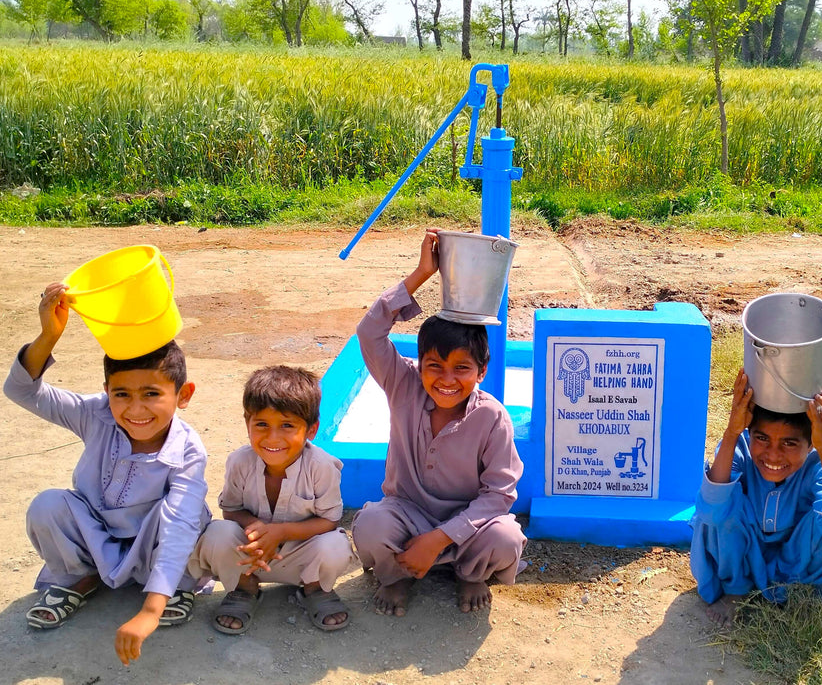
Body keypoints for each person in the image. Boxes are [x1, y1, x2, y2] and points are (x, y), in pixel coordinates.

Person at [3, 283, 210, 666]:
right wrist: (49, 335)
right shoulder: (94, 412)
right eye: (122, 394)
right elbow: (22, 390)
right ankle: (80, 578)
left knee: (193, 517)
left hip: (151, 545)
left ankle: (173, 588)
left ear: (184, 395)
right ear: (106, 391)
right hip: (96, 535)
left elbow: (180, 525)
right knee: (48, 505)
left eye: (151, 394)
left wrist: (150, 610)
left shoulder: (188, 450)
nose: (135, 410)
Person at [351, 228, 526, 617]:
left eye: (461, 368)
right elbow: (369, 331)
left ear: (481, 372)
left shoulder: (492, 417)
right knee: (369, 526)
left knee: (506, 537)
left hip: (466, 527)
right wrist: (421, 274)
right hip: (406, 514)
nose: (446, 380)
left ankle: (469, 573)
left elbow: (498, 495)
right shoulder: (402, 384)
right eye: (435, 366)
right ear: (419, 364)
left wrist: (441, 537)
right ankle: (396, 578)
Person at [188, 365, 354, 634]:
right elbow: (231, 511)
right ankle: (245, 588)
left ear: (311, 430)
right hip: (251, 559)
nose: (273, 437)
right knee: (218, 532)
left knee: (335, 543)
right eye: (262, 424)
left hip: (302, 558)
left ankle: (314, 589)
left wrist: (280, 532)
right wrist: (258, 531)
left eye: (287, 426)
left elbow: (330, 519)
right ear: (247, 423)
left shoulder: (321, 466)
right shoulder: (239, 462)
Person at [690, 369, 822, 627]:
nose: (773, 455)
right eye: (762, 438)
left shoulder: (817, 464)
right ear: (750, 433)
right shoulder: (740, 448)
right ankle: (736, 589)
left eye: (789, 443)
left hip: (797, 561)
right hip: (746, 553)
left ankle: (802, 597)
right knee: (716, 508)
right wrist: (732, 431)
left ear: (810, 443)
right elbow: (711, 509)